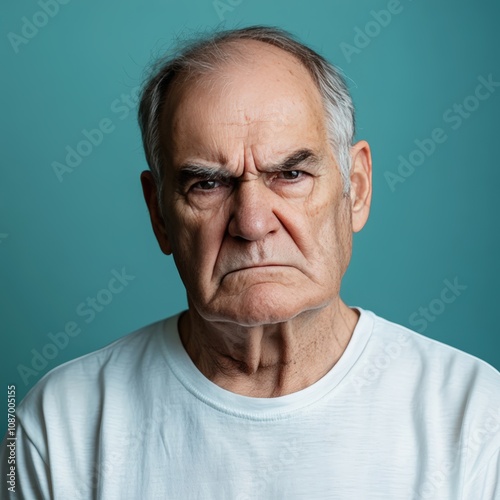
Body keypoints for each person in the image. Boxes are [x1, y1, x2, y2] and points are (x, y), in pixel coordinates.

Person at [2, 25, 499, 499]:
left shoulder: (478, 419)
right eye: (208, 184)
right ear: (159, 215)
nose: (253, 222)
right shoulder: (58, 427)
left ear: (357, 190)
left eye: (290, 173)